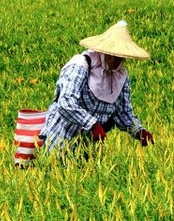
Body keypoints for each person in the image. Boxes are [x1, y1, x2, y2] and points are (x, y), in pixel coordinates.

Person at [40, 20, 155, 153]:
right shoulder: (80, 65)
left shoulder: (120, 76)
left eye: (120, 57)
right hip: (61, 138)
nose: (115, 60)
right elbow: (66, 103)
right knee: (57, 170)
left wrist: (139, 131)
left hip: (90, 144)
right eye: (112, 55)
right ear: (103, 51)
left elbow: (123, 112)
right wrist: (93, 125)